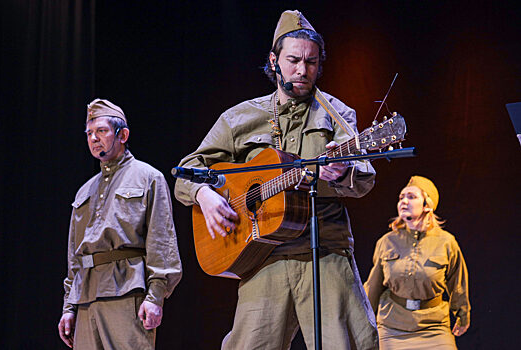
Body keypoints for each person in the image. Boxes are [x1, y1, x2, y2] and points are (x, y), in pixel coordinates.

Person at [174, 10, 378, 350]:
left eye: (311, 62)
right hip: (264, 255)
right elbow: (186, 172)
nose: (302, 70)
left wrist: (343, 173)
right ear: (274, 61)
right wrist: (204, 196)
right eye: (294, 60)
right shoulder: (241, 117)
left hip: (324, 252)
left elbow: (366, 176)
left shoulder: (336, 113)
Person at [58, 99, 182, 349]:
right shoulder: (85, 191)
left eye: (101, 131)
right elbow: (75, 255)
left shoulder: (147, 177)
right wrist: (68, 306)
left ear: (122, 134)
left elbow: (162, 240)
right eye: (89, 133)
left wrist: (156, 296)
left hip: (125, 292)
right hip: (85, 298)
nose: (94, 138)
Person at [364, 176, 470, 349]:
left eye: (411, 197)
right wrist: (362, 321)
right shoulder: (387, 242)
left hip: (433, 327)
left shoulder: (446, 242)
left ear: (427, 204)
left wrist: (463, 314)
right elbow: (373, 286)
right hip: (393, 326)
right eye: (401, 198)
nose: (404, 202)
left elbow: (458, 284)